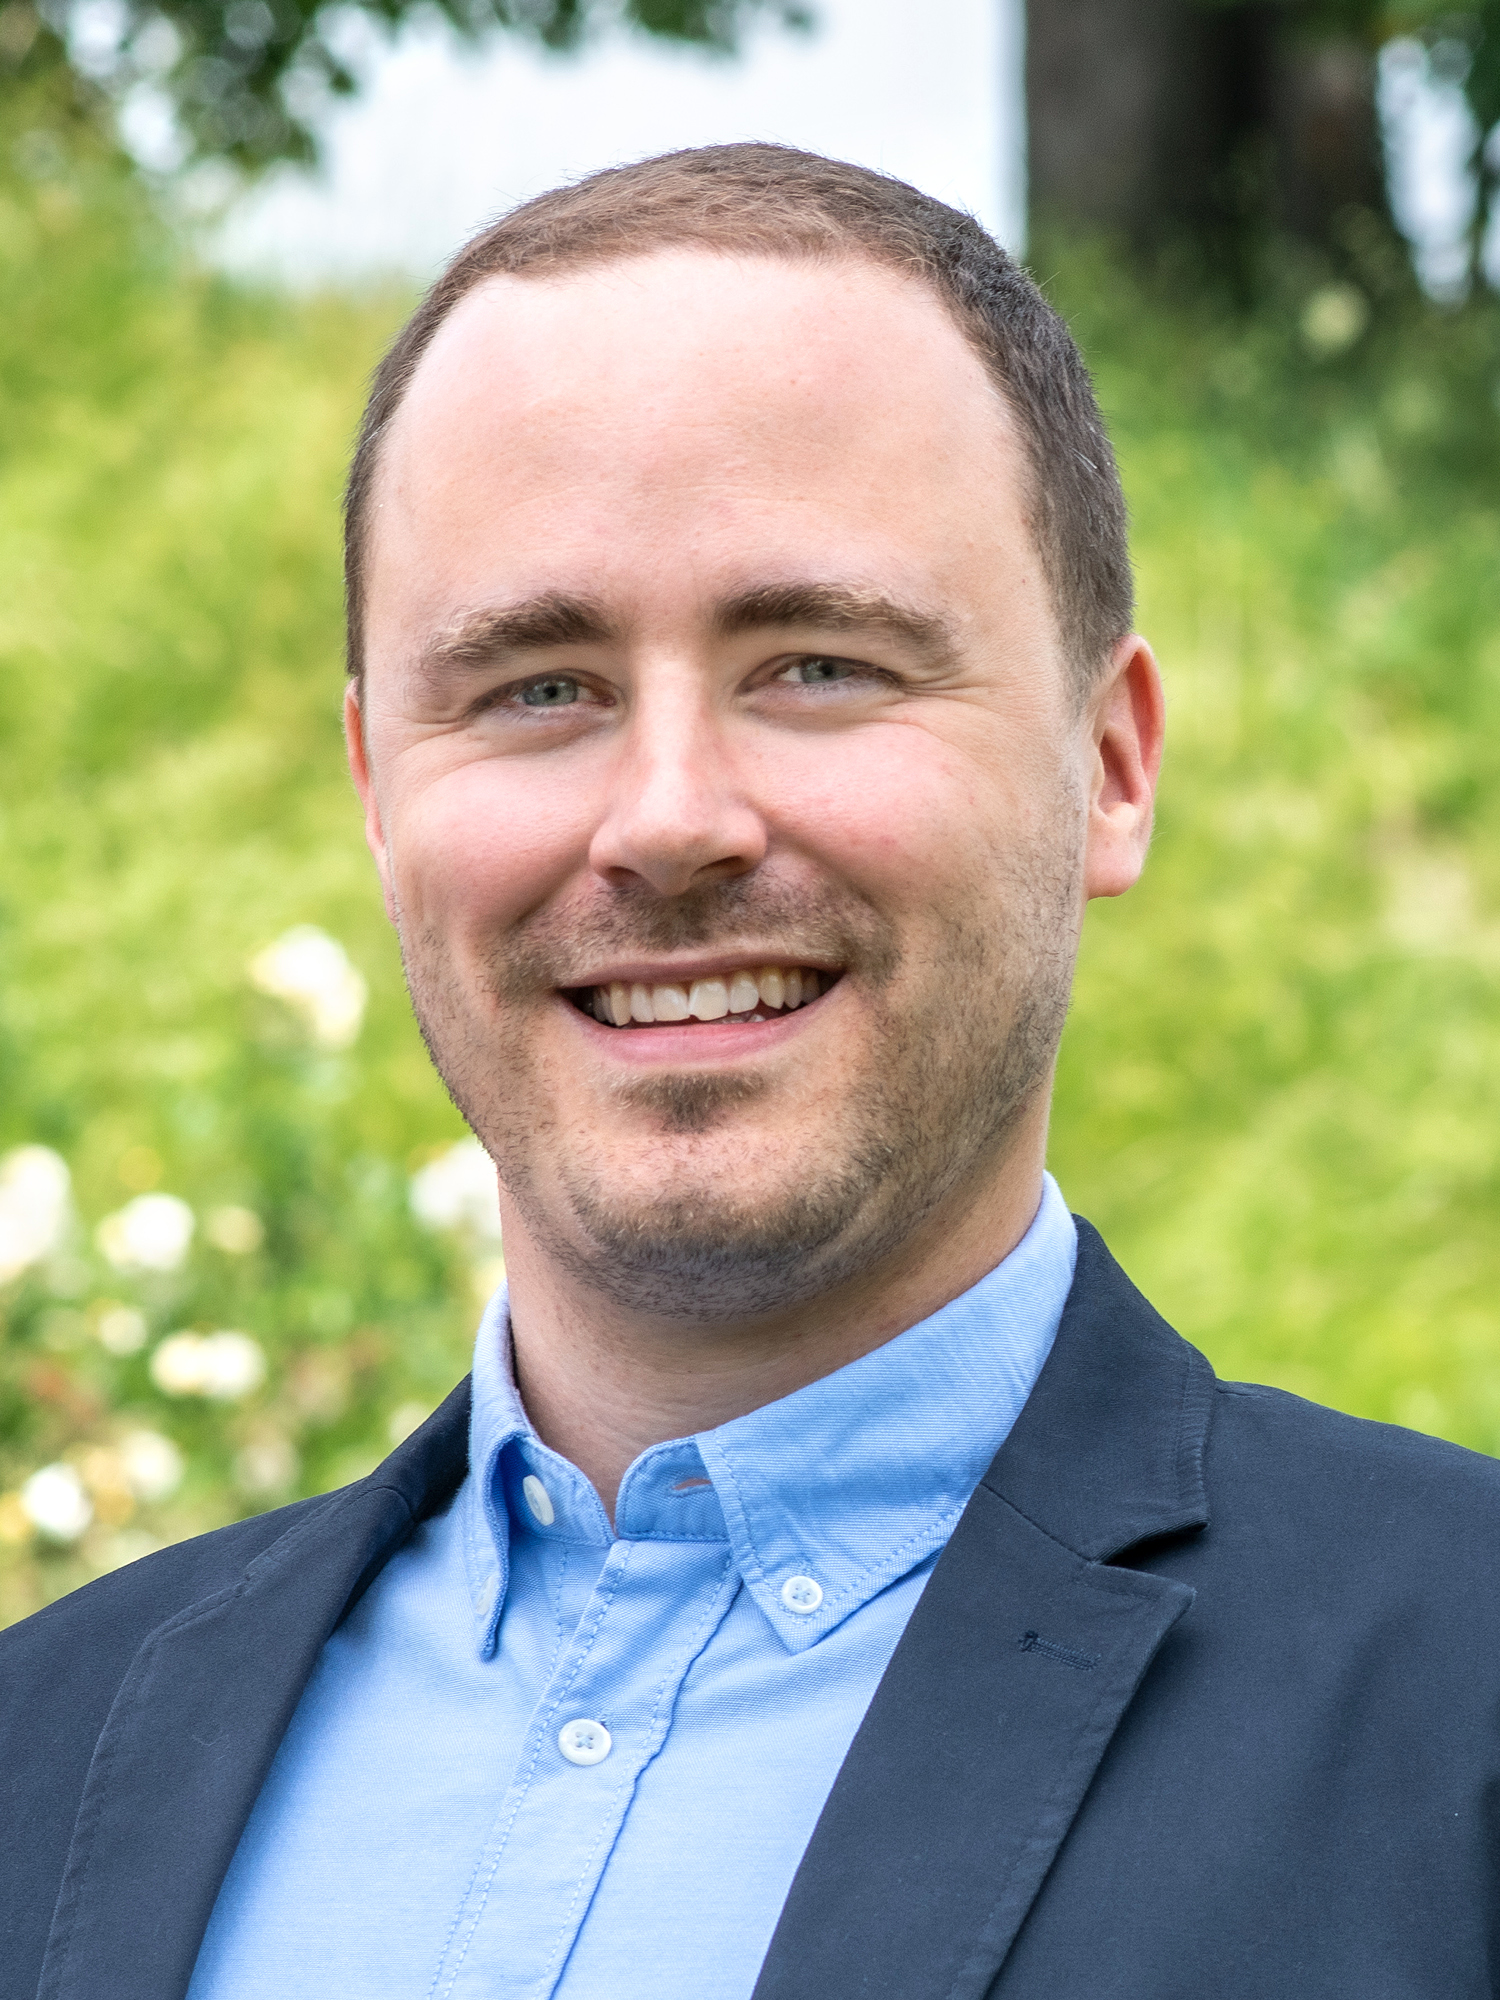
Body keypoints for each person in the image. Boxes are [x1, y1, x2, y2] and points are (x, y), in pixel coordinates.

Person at [3, 143, 1499, 2000]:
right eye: (538, 687)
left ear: (1109, 767)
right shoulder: (38, 1758)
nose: (668, 819)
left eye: (818, 664)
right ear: (379, 791)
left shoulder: (1460, 1708)